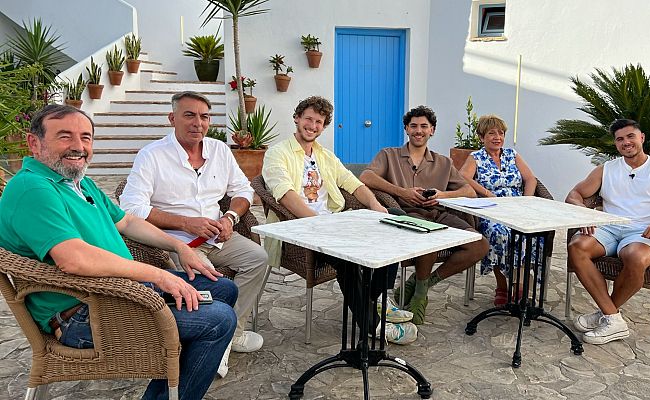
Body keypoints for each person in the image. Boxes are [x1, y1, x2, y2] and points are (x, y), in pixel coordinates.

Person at [0, 104, 237, 399]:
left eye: (86, 137)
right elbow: (73, 259)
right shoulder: (33, 188)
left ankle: (172, 371)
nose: (78, 147)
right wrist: (160, 276)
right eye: (64, 137)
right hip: (84, 313)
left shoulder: (78, 182)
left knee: (222, 288)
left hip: (119, 293)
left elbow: (127, 221)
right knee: (219, 320)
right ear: (34, 143)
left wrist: (178, 246)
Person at [120, 92, 269, 355]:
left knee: (258, 257)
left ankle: (231, 333)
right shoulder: (152, 155)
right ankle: (212, 338)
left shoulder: (219, 149)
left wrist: (229, 218)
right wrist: (187, 223)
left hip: (218, 236)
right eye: (189, 115)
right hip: (176, 243)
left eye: (204, 116)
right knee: (212, 282)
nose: (197, 123)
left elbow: (244, 191)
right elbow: (131, 208)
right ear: (172, 118)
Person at [262, 96, 417, 344]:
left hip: (333, 223)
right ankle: (374, 325)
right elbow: (285, 195)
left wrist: (377, 206)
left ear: (324, 127)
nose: (312, 126)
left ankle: (377, 299)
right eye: (308, 119)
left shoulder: (325, 156)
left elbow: (353, 184)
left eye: (319, 122)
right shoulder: (277, 153)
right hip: (299, 229)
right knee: (348, 259)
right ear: (297, 118)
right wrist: (320, 224)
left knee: (394, 224)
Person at [566, 119, 650, 345]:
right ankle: (612, 317)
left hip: (642, 232)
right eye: (620, 139)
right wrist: (584, 214)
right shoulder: (606, 169)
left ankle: (606, 315)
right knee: (577, 247)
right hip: (608, 227)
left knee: (636, 257)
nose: (625, 142)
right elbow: (574, 195)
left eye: (630, 136)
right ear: (616, 144)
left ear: (642, 138)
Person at [360, 105, 489, 325]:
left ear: (432, 130)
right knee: (427, 236)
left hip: (438, 212)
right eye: (413, 126)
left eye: (424, 126)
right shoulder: (388, 155)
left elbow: (469, 192)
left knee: (479, 244)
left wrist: (442, 195)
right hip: (405, 214)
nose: (418, 131)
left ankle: (422, 284)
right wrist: (403, 193)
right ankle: (420, 297)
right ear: (406, 129)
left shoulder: (443, 162)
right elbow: (366, 177)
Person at [458, 114, 538, 307]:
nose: (497, 137)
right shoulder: (476, 157)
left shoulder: (512, 154)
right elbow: (462, 177)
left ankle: (520, 287)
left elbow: (531, 179)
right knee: (499, 234)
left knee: (530, 233)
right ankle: (503, 286)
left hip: (517, 207)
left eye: (500, 133)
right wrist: (486, 192)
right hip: (491, 209)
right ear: (481, 136)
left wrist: (526, 201)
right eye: (491, 133)